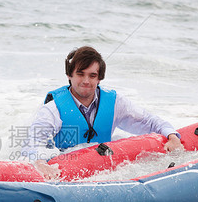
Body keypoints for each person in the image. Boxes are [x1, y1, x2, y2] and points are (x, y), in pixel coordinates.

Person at [25, 46, 183, 179]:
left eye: (92, 75)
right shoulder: (53, 109)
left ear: (99, 78)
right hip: (66, 169)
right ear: (69, 75)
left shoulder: (115, 102)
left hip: (104, 168)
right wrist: (40, 164)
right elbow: (32, 143)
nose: (86, 81)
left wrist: (172, 135)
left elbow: (148, 121)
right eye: (80, 74)